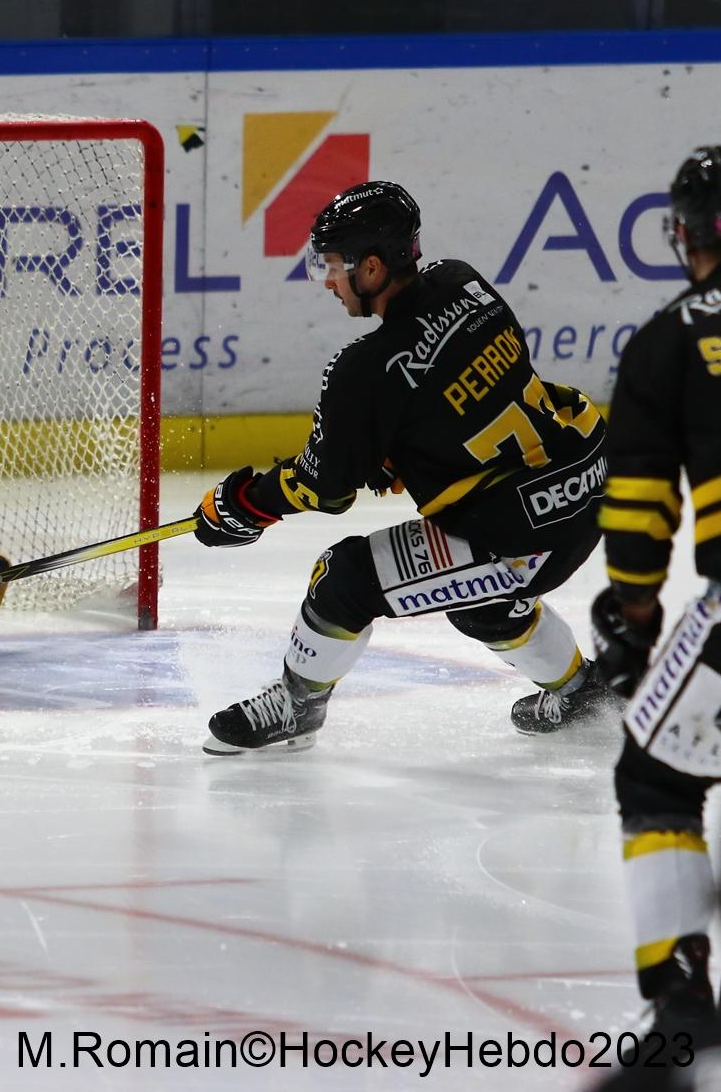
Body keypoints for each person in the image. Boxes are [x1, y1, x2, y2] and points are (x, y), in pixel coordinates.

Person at [193, 180, 607, 755]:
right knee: (482, 606)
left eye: (333, 267)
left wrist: (243, 505)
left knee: (343, 579)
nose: (328, 282)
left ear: (371, 267)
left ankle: (297, 705)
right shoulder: (464, 282)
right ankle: (581, 692)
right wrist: (409, 451)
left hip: (523, 536)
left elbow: (324, 489)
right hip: (587, 481)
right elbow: (469, 391)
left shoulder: (363, 372)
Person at [601, 146, 721, 1047]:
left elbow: (641, 515)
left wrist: (633, 619)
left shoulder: (669, 337)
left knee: (655, 775)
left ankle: (681, 1005)